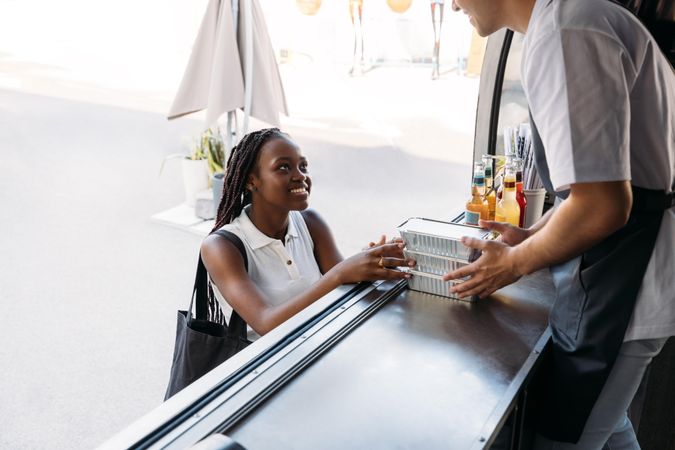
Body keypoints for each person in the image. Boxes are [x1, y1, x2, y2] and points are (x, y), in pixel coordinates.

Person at [445, 0, 675, 448]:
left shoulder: (566, 32)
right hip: (622, 273)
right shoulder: (577, 17)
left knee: (562, 439)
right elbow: (597, 182)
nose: (452, 4)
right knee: (607, 430)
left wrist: (511, 264)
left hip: (626, 284)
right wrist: (532, 236)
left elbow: (603, 205)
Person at [201, 128, 413, 341]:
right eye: (283, 167)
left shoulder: (311, 223)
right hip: (263, 367)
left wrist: (371, 263)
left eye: (303, 166)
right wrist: (339, 274)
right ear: (251, 180)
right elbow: (265, 322)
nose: (301, 176)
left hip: (318, 344)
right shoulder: (221, 247)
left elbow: (345, 287)